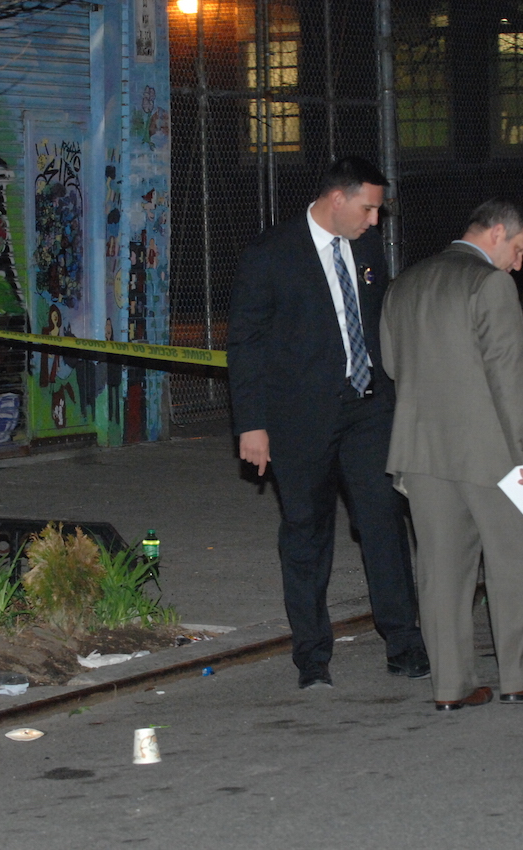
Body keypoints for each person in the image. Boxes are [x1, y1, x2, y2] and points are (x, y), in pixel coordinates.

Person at [228, 156, 428, 690]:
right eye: (368, 209)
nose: (374, 221)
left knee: (383, 519)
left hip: (367, 407)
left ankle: (404, 643)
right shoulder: (271, 254)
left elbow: (380, 319)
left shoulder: (364, 245)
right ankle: (312, 656)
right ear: (337, 199)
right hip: (300, 418)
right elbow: (244, 343)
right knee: (306, 531)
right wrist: (252, 425)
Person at [380, 199, 523, 711]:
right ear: (496, 233)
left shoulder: (405, 283)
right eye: (517, 251)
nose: (518, 264)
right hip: (493, 453)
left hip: (421, 451)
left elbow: (390, 364)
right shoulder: (490, 284)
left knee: (442, 571)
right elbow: (506, 376)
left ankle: (451, 687)